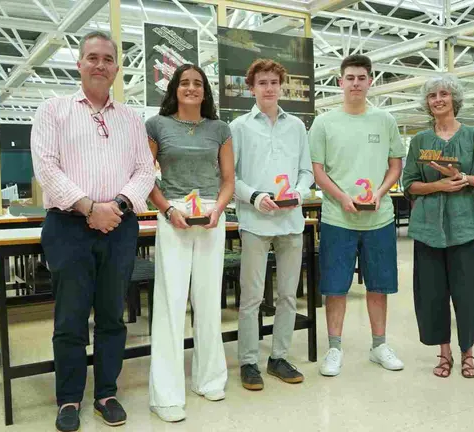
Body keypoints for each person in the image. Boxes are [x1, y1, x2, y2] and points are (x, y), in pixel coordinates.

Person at [30, 31, 155, 432]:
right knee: (69, 317)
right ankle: (68, 399)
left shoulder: (131, 118)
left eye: (107, 59)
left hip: (119, 226)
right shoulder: (54, 110)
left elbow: (145, 170)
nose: (100, 64)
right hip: (69, 226)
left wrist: (115, 207)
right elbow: (47, 168)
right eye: (92, 57)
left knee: (111, 316)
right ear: (79, 63)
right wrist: (89, 208)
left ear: (117, 68)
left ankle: (106, 392)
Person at [145, 64, 235, 422]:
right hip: (175, 215)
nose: (192, 88)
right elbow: (144, 176)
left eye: (198, 83)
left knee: (210, 299)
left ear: (205, 91)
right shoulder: (156, 125)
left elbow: (229, 179)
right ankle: (165, 394)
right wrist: (167, 211)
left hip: (212, 214)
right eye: (185, 83)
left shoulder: (221, 129)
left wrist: (219, 211)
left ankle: (209, 378)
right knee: (171, 303)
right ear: (174, 88)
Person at [309, 54, 406, 377]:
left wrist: (380, 192)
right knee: (335, 286)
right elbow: (318, 171)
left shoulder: (385, 121)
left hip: (379, 218)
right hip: (338, 218)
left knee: (379, 285)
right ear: (340, 81)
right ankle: (334, 348)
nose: (355, 83)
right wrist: (340, 197)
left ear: (370, 81)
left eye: (361, 77)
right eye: (349, 77)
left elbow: (395, 165)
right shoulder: (324, 123)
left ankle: (379, 345)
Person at [401, 74, 474, 379]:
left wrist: (465, 179)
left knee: (468, 292)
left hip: (467, 226)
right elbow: (409, 185)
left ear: (454, 99)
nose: (438, 99)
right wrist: (439, 185)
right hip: (428, 230)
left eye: (443, 93)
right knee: (431, 293)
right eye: (432, 96)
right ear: (427, 104)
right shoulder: (419, 141)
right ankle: (444, 353)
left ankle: (468, 353)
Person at [231, 59, 313, 391]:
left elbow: (306, 172)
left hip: (291, 221)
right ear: (252, 88)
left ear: (282, 86)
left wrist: (299, 191)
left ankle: (278, 356)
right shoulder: (238, 126)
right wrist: (253, 196)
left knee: (288, 296)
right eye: (262, 83)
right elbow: (230, 177)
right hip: (254, 221)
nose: (268, 88)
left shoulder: (296, 127)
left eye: (274, 82)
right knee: (251, 297)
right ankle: (249, 361)